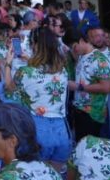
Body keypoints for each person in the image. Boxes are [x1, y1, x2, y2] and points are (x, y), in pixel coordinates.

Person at [5, 27, 71, 171]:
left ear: (34, 46)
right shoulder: (62, 71)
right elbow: (44, 70)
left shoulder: (25, 72)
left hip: (38, 130)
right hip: (62, 131)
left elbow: (9, 87)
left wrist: (8, 63)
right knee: (55, 178)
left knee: (37, 177)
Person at [71, 26, 110, 141]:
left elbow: (106, 87)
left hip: (93, 114)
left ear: (81, 41)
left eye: (74, 47)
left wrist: (78, 87)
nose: (74, 51)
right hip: (80, 111)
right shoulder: (82, 56)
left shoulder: (100, 60)